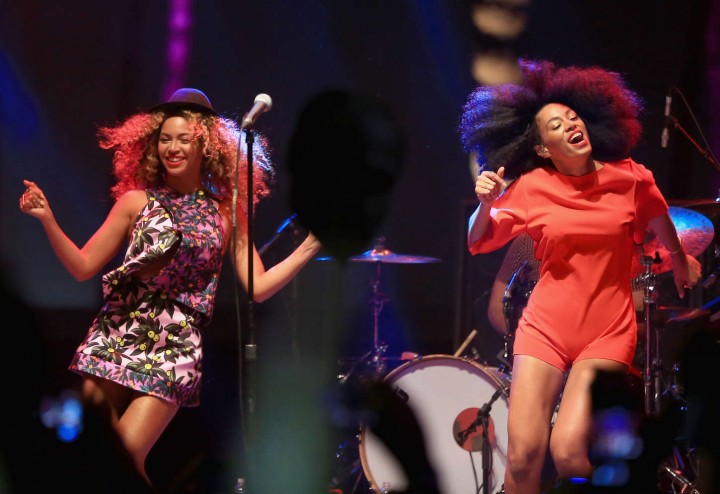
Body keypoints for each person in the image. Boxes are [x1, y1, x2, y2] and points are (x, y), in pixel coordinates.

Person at [18, 88, 322, 488]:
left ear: (206, 146)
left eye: (183, 139)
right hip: (116, 332)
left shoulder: (226, 211)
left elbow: (258, 287)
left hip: (175, 344)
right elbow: (83, 266)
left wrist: (309, 247)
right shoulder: (135, 202)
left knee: (125, 459)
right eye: (165, 139)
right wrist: (48, 219)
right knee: (93, 458)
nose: (172, 148)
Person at [459, 59, 702, 494]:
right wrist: (485, 204)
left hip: (607, 332)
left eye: (573, 117)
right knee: (522, 457)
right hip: (545, 327)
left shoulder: (629, 178)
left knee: (570, 453)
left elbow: (659, 214)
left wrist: (680, 259)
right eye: (556, 124)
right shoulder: (532, 187)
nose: (571, 124)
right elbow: (478, 240)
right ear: (542, 149)